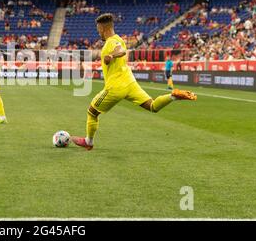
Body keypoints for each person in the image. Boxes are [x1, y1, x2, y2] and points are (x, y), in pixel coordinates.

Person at [70, 13, 197, 150]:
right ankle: (173, 96)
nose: (98, 32)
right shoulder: (119, 38)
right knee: (152, 106)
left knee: (92, 112)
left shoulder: (112, 41)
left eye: (98, 29)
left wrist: (111, 55)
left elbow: (121, 51)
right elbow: (122, 48)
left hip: (115, 87)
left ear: (103, 28)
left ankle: (88, 142)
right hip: (130, 82)